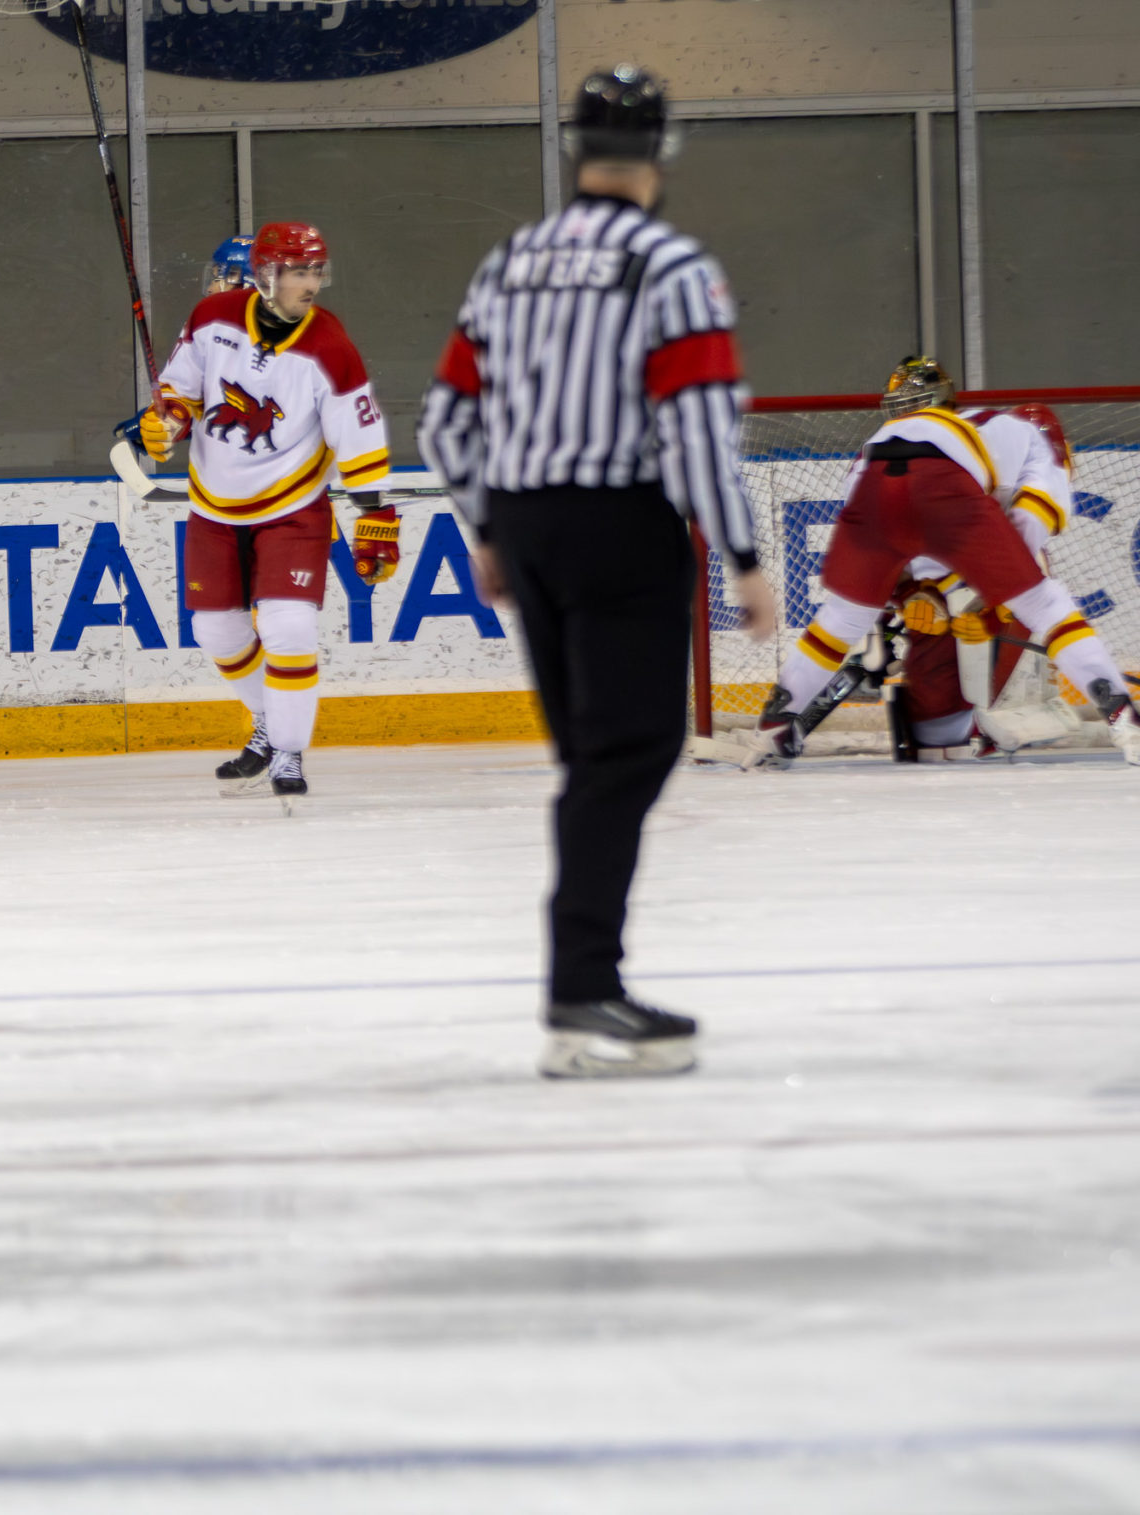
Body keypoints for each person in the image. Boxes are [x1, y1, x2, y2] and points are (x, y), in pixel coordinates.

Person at [420, 64, 779, 1080]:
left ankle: (585, 984)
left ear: (574, 148)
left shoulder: (508, 263)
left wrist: (487, 525)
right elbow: (697, 423)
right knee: (627, 754)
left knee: (592, 759)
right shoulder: (669, 267)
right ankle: (582, 991)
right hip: (621, 524)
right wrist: (742, 556)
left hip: (528, 526)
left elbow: (447, 416)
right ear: (660, 152)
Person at [750, 359, 1138, 766]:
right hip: (943, 485)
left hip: (875, 477)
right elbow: (1024, 530)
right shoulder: (1031, 438)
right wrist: (993, 604)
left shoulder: (892, 433)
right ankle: (1125, 719)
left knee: (842, 619)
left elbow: (894, 530)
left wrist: (910, 591)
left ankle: (773, 729)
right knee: (1044, 604)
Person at [129, 221, 401, 801]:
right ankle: (270, 727)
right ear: (267, 275)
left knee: (289, 626)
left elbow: (357, 436)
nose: (311, 284)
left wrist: (373, 514)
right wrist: (168, 420)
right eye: (299, 272)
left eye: (315, 271)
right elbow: (182, 389)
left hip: (292, 506)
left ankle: (288, 753)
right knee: (217, 630)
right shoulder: (213, 317)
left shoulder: (330, 347)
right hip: (215, 505)